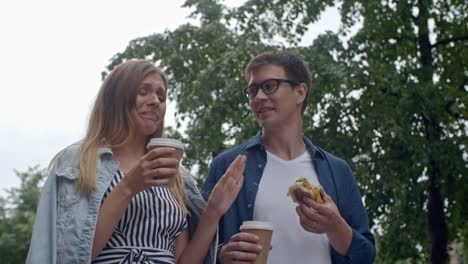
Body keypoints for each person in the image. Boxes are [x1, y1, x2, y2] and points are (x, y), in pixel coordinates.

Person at [26, 59, 246, 264]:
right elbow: (72, 255)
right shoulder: (79, 162)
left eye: (161, 96)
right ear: (116, 98)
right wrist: (129, 185)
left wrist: (212, 212)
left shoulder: (178, 176)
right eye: (144, 92)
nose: (155, 101)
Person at [202, 51, 375, 263]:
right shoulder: (227, 165)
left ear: (300, 92)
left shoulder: (338, 170)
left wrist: (335, 226)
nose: (258, 97)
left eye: (269, 86)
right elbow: (194, 248)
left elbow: (366, 255)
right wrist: (221, 256)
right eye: (253, 90)